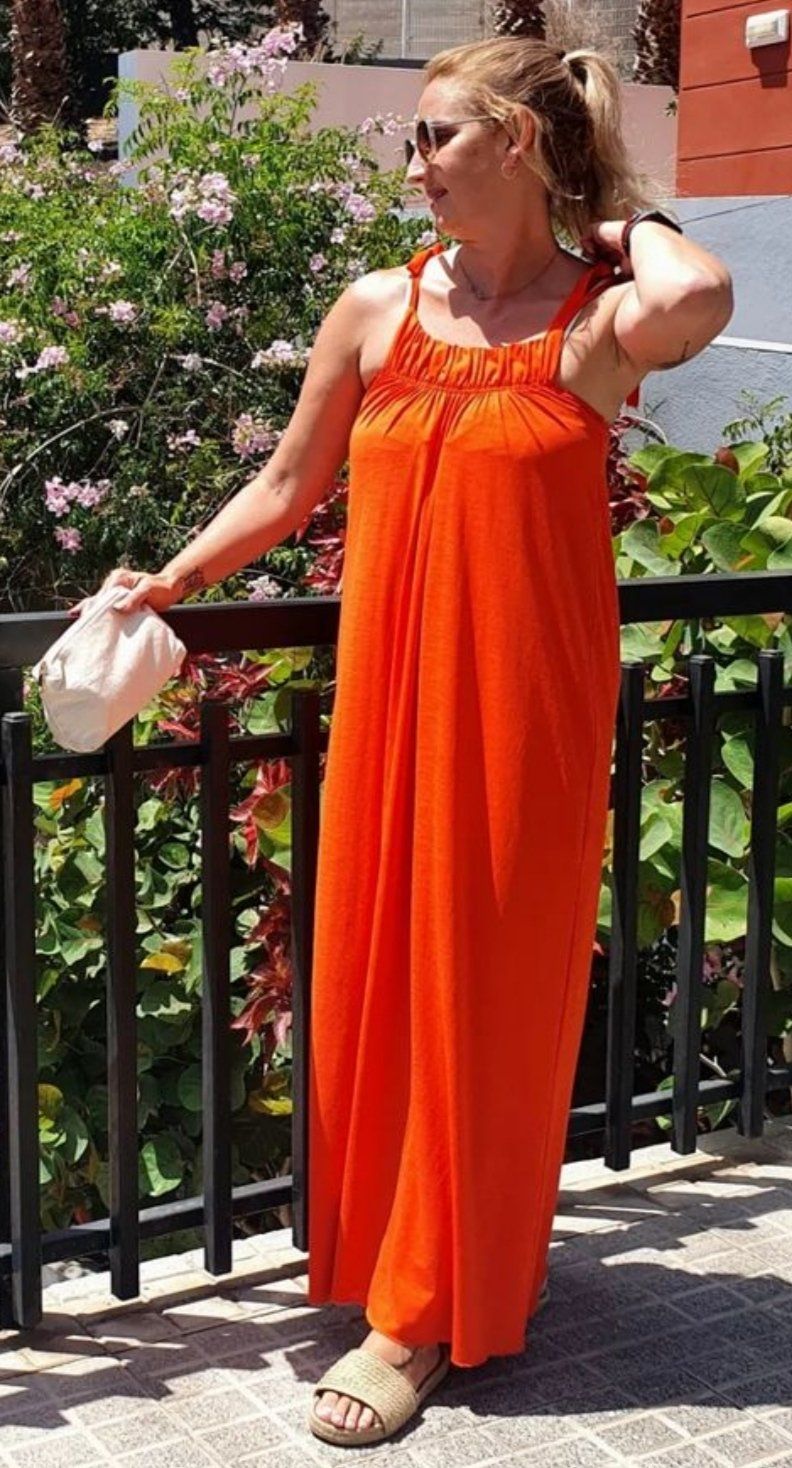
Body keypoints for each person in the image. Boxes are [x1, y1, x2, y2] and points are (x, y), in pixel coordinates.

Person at [75, 34, 733, 1452]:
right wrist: (168, 582)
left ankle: (421, 1313)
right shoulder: (378, 307)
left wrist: (619, 219)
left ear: (517, 143)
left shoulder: (598, 319)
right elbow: (286, 481)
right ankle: (424, 1256)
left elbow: (703, 295)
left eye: (438, 134)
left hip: (526, 713)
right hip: (387, 700)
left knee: (485, 991)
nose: (414, 160)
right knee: (379, 976)